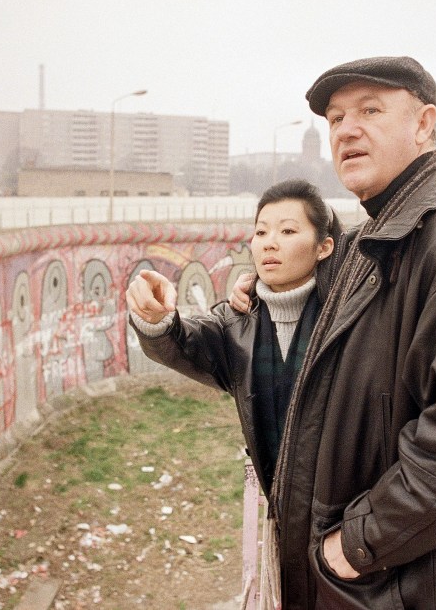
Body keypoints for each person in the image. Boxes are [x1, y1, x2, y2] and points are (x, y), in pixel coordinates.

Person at [231, 57, 436, 609]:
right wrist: (255, 283)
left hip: (422, 588)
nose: (346, 130)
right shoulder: (376, 241)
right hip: (380, 585)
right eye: (335, 119)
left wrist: (353, 546)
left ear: (424, 124)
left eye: (370, 110)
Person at [126, 180, 342, 607]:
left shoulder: (349, 315)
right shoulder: (237, 323)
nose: (269, 244)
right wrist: (156, 318)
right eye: (261, 232)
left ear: (324, 247)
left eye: (288, 231)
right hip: (283, 518)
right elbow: (183, 342)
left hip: (348, 520)